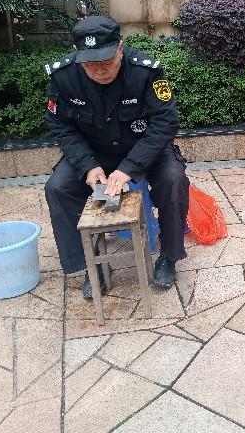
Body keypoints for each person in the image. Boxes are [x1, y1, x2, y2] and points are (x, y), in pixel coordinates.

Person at [44, 16, 190, 298]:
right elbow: (60, 125)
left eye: (106, 61)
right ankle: (91, 266)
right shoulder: (63, 76)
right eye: (90, 64)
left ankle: (169, 257)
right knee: (58, 188)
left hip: (143, 149)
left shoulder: (145, 72)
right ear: (77, 55)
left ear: (120, 48)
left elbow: (165, 123)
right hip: (93, 152)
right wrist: (88, 165)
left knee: (174, 179)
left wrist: (129, 168)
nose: (99, 70)